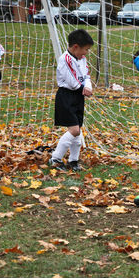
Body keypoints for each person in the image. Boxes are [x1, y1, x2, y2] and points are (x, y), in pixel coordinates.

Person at [49, 29, 94, 171]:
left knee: (78, 130)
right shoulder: (65, 59)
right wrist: (83, 88)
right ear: (75, 47)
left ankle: (73, 160)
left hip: (78, 96)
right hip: (66, 96)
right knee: (74, 130)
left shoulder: (82, 58)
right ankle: (55, 158)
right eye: (85, 49)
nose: (86, 53)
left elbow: (86, 75)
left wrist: (88, 86)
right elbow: (72, 82)